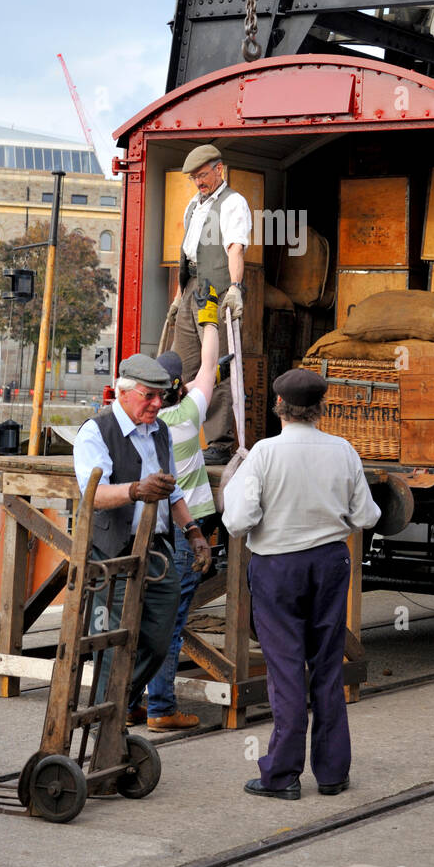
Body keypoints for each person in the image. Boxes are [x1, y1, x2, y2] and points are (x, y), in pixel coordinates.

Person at [222, 368, 381, 800]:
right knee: (328, 665)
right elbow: (367, 517)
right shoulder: (344, 450)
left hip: (277, 568)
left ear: (279, 408)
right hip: (330, 564)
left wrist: (234, 484)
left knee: (286, 668)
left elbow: (238, 522)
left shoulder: (263, 454)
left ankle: (282, 775)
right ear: (320, 409)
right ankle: (332, 774)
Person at [72, 352, 211, 723]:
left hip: (156, 550)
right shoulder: (96, 431)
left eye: (160, 397)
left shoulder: (160, 430)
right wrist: (135, 490)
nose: (156, 404)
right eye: (149, 396)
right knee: (112, 641)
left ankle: (118, 703)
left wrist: (193, 530)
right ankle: (107, 719)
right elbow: (93, 495)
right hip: (113, 552)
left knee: (160, 636)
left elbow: (172, 489)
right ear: (124, 393)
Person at [146, 286, 223, 731]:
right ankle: (162, 708)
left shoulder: (148, 421)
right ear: (181, 389)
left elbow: (195, 380)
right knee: (172, 618)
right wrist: (209, 319)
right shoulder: (191, 415)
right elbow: (209, 364)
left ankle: (136, 699)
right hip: (186, 523)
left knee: (149, 611)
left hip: (152, 525)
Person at [167, 143, 251, 465]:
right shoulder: (193, 205)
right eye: (194, 178)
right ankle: (176, 435)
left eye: (203, 175)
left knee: (216, 366)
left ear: (219, 169)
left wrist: (234, 288)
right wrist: (178, 297)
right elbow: (188, 253)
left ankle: (219, 442)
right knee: (180, 364)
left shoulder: (233, 203)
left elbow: (234, 249)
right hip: (191, 290)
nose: (199, 182)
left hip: (216, 292)